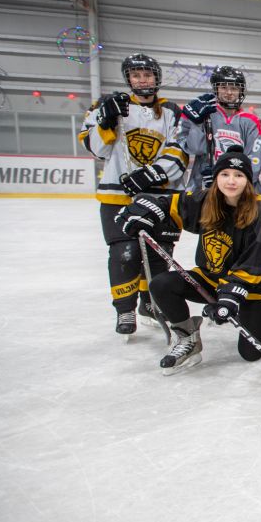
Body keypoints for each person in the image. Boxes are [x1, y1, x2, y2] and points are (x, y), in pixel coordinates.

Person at [117, 147, 261, 372]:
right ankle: (187, 337)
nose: (231, 181)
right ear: (217, 177)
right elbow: (169, 205)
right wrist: (144, 210)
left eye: (239, 175)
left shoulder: (260, 214)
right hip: (210, 279)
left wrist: (229, 298)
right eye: (225, 174)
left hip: (250, 289)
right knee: (161, 284)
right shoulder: (204, 200)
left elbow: (253, 263)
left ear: (248, 181)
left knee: (250, 353)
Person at [78, 52, 188, 334]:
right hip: (118, 196)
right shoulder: (106, 105)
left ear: (156, 78)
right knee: (125, 254)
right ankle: (125, 309)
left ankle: (150, 303)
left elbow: (180, 149)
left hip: (160, 195)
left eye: (147, 74)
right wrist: (105, 122)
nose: (142, 80)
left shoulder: (172, 111)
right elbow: (96, 149)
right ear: (128, 79)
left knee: (158, 255)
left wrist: (152, 174)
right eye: (136, 75)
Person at [176, 66, 261, 192]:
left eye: (234, 88)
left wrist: (227, 180)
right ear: (216, 89)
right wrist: (197, 123)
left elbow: (254, 162)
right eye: (223, 87)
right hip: (203, 186)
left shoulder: (251, 121)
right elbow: (196, 149)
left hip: (238, 189)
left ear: (241, 91)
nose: (229, 92)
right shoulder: (206, 113)